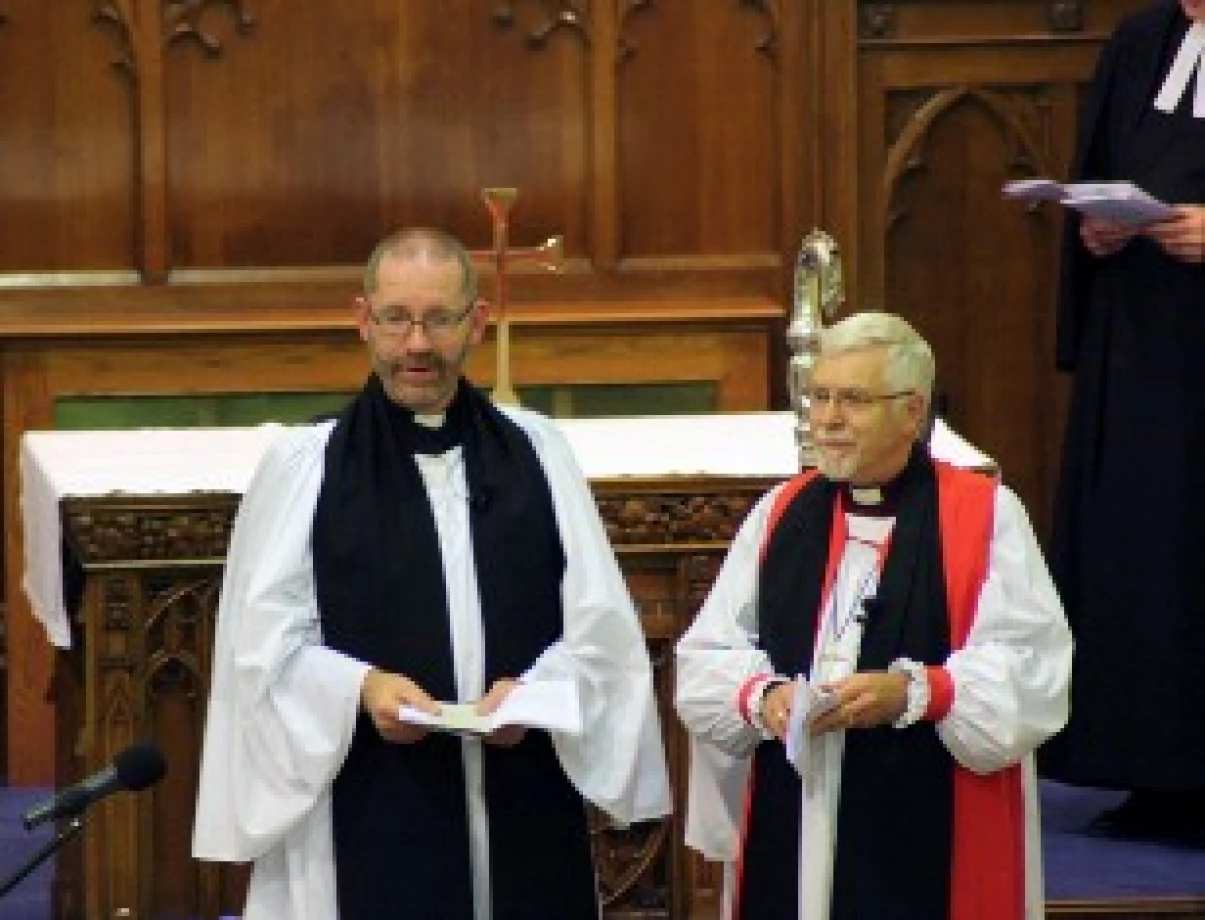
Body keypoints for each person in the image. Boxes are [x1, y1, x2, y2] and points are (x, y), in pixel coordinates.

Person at [192, 227, 671, 919]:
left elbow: (603, 637)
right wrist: (363, 687)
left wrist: (536, 693)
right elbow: (261, 652)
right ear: (363, 320)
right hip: (364, 803)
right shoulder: (306, 466)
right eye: (396, 319)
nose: (417, 344)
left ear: (478, 323)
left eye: (439, 319)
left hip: (520, 791)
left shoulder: (537, 453)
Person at [675, 312, 1072, 920]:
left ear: (913, 412)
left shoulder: (984, 517)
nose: (828, 420)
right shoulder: (781, 513)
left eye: (854, 400)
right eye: (820, 397)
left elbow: (1034, 668)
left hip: (926, 820)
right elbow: (707, 656)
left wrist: (919, 692)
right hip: (800, 808)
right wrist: (766, 696)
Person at [1040, 0, 1205, 842]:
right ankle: (1152, 770)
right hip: (1142, 350)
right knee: (1141, 552)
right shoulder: (1143, 42)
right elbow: (1103, 165)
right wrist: (1098, 231)